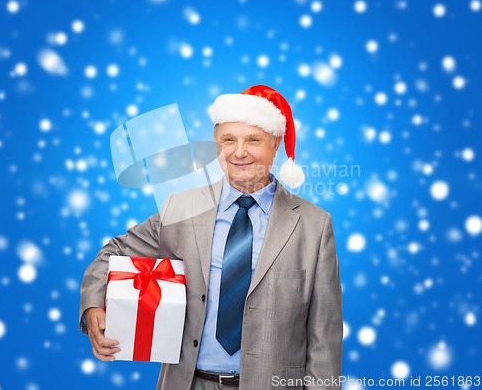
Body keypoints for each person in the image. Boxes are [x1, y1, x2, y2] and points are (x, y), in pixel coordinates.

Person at [79, 84, 343, 390]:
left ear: (275, 144)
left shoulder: (314, 225)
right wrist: (94, 305)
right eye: (228, 140)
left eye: (253, 140)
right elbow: (113, 253)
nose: (239, 152)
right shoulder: (182, 208)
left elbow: (324, 339)